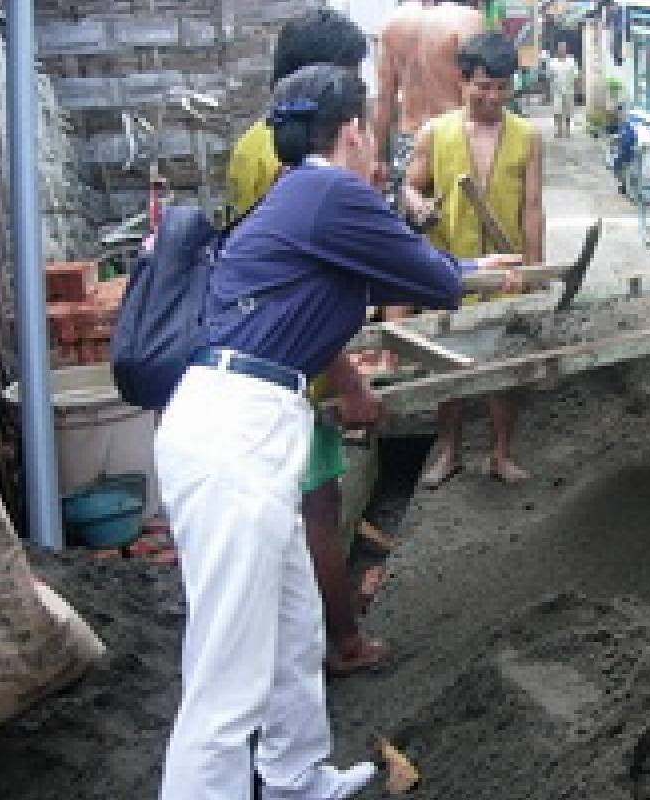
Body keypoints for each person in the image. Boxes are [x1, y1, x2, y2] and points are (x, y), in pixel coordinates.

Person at [156, 64, 522, 800]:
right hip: (237, 433)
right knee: (226, 679)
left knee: (293, 627)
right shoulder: (331, 190)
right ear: (354, 129)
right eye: (373, 129)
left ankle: (296, 777)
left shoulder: (300, 196)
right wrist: (476, 273)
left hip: (249, 418)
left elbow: (395, 272)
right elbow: (428, 277)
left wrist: (475, 268)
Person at [225, 8, 385, 678]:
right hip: (291, 369)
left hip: (259, 360)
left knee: (291, 512)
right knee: (318, 504)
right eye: (348, 80)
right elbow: (302, 290)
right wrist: (348, 379)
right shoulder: (304, 161)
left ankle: (296, 651)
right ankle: (342, 643)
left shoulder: (248, 146)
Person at [403, 32, 544, 487]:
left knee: (503, 364)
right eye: (483, 86)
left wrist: (535, 268)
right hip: (449, 268)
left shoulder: (527, 136)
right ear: (463, 81)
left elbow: (532, 205)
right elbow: (410, 186)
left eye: (502, 87)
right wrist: (417, 205)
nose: (492, 96)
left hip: (504, 269)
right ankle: (449, 452)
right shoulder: (435, 132)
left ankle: (500, 454)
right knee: (446, 365)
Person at [375, 0, 487, 202]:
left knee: (409, 222)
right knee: (461, 221)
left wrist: (378, 158)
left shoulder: (392, 23)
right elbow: (481, 88)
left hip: (409, 140)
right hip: (455, 136)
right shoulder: (469, 20)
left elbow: (384, 98)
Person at [547, 41, 579, 137]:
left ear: (566, 50)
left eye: (563, 48)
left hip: (569, 89)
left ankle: (568, 130)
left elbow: (576, 75)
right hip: (557, 90)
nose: (562, 50)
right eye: (560, 48)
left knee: (568, 111)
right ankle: (558, 130)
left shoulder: (571, 61)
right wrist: (549, 91)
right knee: (557, 111)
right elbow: (549, 76)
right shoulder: (553, 62)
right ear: (558, 50)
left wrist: (576, 88)